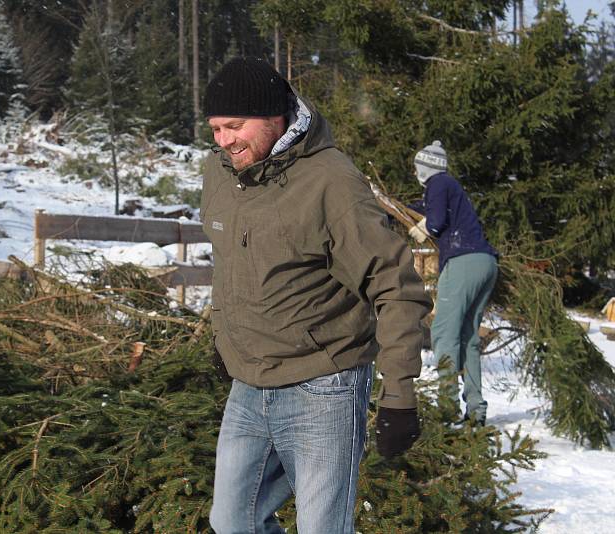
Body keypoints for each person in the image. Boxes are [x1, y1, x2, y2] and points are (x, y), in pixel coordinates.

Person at [201, 56, 432, 534]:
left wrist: (400, 394)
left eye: (234, 126)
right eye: (215, 129)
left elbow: (396, 285)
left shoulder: (331, 182)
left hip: (324, 386)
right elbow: (227, 259)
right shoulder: (220, 172)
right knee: (231, 521)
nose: (224, 141)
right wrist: (224, 338)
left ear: (273, 116)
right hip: (249, 385)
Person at [408, 141, 499, 425]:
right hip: (486, 263)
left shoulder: (438, 182)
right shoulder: (450, 187)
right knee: (469, 339)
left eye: (417, 167)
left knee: (444, 335)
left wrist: (424, 228)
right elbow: (424, 208)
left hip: (463, 263)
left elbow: (434, 222)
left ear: (425, 167)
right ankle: (476, 409)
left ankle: (446, 408)